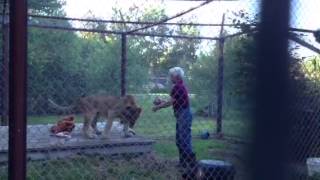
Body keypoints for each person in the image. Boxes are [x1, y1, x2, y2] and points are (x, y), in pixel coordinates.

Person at [152, 67, 197, 179]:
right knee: (179, 140)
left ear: (176, 76)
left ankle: (191, 165)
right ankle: (183, 163)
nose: (170, 77)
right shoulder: (179, 86)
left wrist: (158, 107)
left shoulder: (178, 86)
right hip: (182, 114)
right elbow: (174, 101)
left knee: (184, 140)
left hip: (184, 114)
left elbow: (171, 102)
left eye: (171, 75)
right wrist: (161, 102)